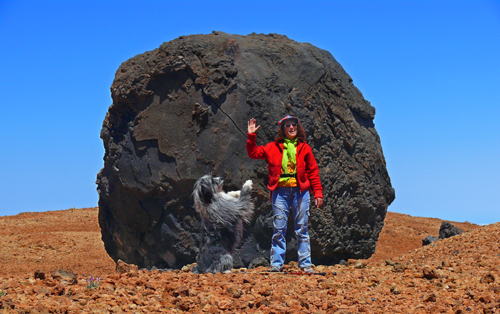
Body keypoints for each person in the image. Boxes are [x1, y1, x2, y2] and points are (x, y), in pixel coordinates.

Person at [246, 115, 324, 273]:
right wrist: (251, 135)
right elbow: (253, 153)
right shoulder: (272, 147)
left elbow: (313, 171)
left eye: (293, 124)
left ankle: (305, 264)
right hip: (280, 191)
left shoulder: (304, 148)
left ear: (298, 127)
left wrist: (318, 193)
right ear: (283, 129)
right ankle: (276, 264)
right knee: (279, 228)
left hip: (300, 192)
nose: (291, 128)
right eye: (287, 125)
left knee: (302, 228)